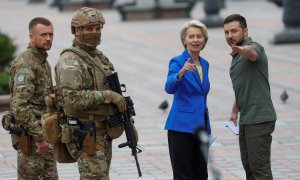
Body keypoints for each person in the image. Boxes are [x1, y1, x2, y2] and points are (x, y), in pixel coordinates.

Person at [55, 7, 126, 179]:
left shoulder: (98, 57)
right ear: (76, 31)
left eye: (97, 28)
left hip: (103, 134)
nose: (94, 33)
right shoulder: (71, 60)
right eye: (88, 29)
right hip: (87, 135)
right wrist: (108, 96)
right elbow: (72, 99)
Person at [223, 14, 277, 180]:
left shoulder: (253, 47)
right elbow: (243, 86)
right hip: (247, 118)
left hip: (259, 118)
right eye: (226, 32)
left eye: (234, 31)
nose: (230, 35)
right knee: (249, 167)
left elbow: (252, 53)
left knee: (260, 169)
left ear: (245, 32)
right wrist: (235, 110)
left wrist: (241, 50)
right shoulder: (236, 55)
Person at [9, 17, 58, 179]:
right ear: (31, 37)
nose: (48, 38)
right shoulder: (26, 64)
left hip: (45, 136)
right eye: (43, 34)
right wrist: (38, 138)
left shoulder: (42, 61)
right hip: (32, 140)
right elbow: (20, 106)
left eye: (51, 34)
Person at [164, 20, 212, 180]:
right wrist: (181, 73)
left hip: (201, 126)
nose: (195, 40)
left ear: (204, 40)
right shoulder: (177, 62)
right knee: (183, 174)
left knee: (201, 173)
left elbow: (202, 96)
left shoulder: (205, 64)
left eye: (199, 36)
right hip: (181, 127)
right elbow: (169, 87)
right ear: (184, 40)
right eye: (191, 36)